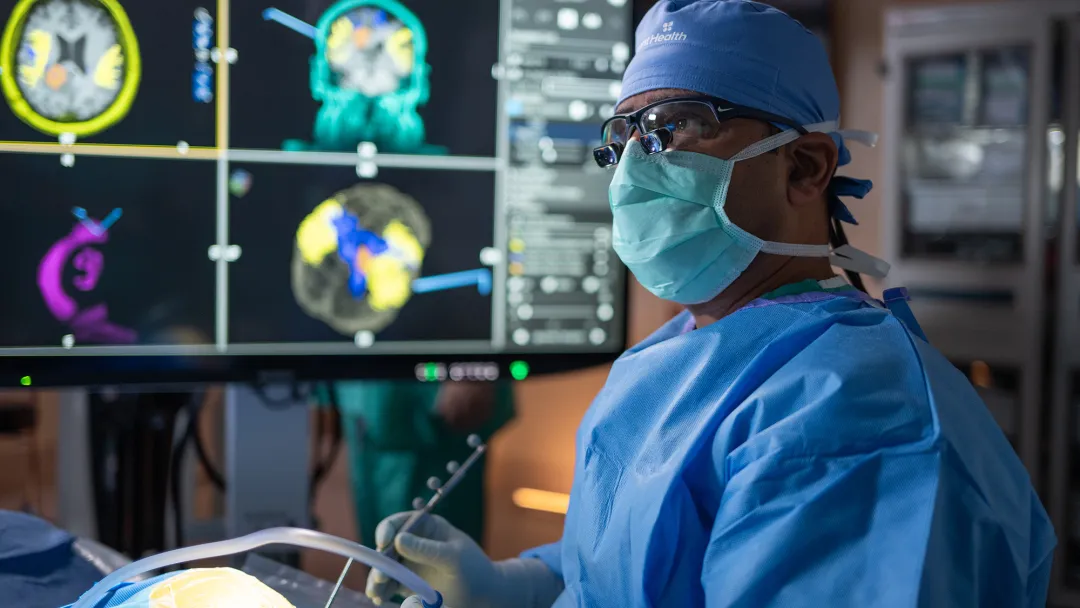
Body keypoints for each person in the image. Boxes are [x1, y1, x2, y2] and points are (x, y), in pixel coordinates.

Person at [367, 1, 1057, 606]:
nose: (636, 165)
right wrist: (515, 587)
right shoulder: (678, 355)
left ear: (806, 166)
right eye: (624, 136)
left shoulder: (856, 416)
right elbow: (637, 570)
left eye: (677, 125)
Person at [318, 380, 513, 550]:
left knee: (438, 553)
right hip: (365, 387)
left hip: (434, 398)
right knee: (379, 554)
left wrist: (473, 367)